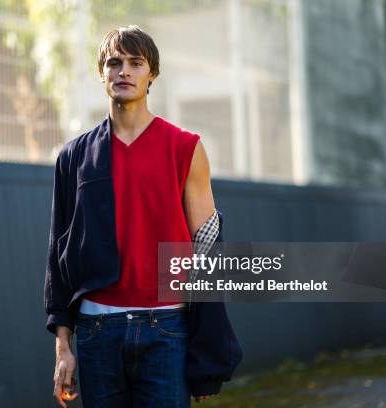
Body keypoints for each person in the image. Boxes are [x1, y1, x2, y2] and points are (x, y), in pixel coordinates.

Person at [44, 25, 242, 408]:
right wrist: (63, 348)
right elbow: (58, 257)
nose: (124, 72)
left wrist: (206, 356)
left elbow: (207, 254)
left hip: (166, 329)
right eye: (114, 63)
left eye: (136, 63)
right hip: (97, 330)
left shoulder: (186, 148)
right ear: (102, 73)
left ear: (152, 74)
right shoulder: (74, 157)